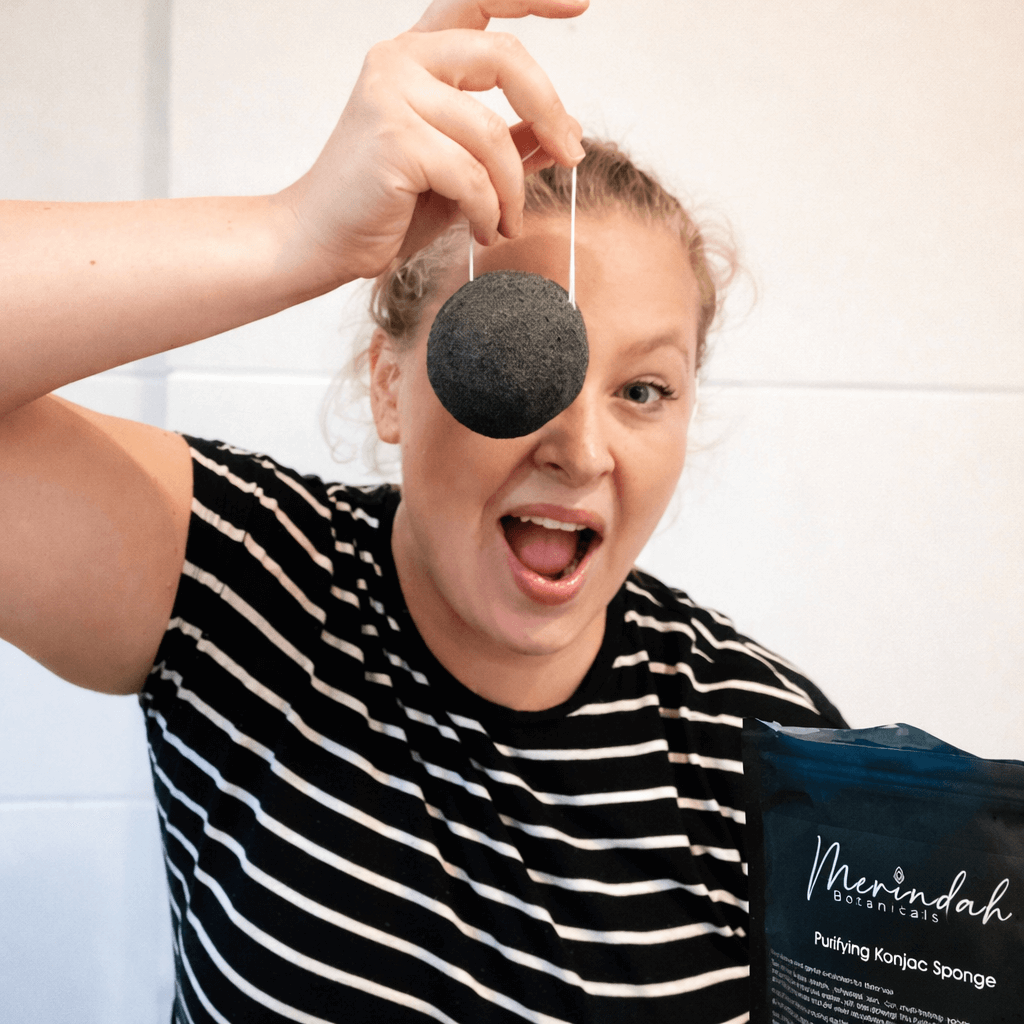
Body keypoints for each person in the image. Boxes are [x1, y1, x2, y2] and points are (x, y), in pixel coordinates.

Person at [0, 1, 846, 1021]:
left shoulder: (759, 745)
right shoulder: (248, 582)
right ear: (390, 384)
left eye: (643, 391)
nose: (579, 450)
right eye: (512, 364)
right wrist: (291, 234)